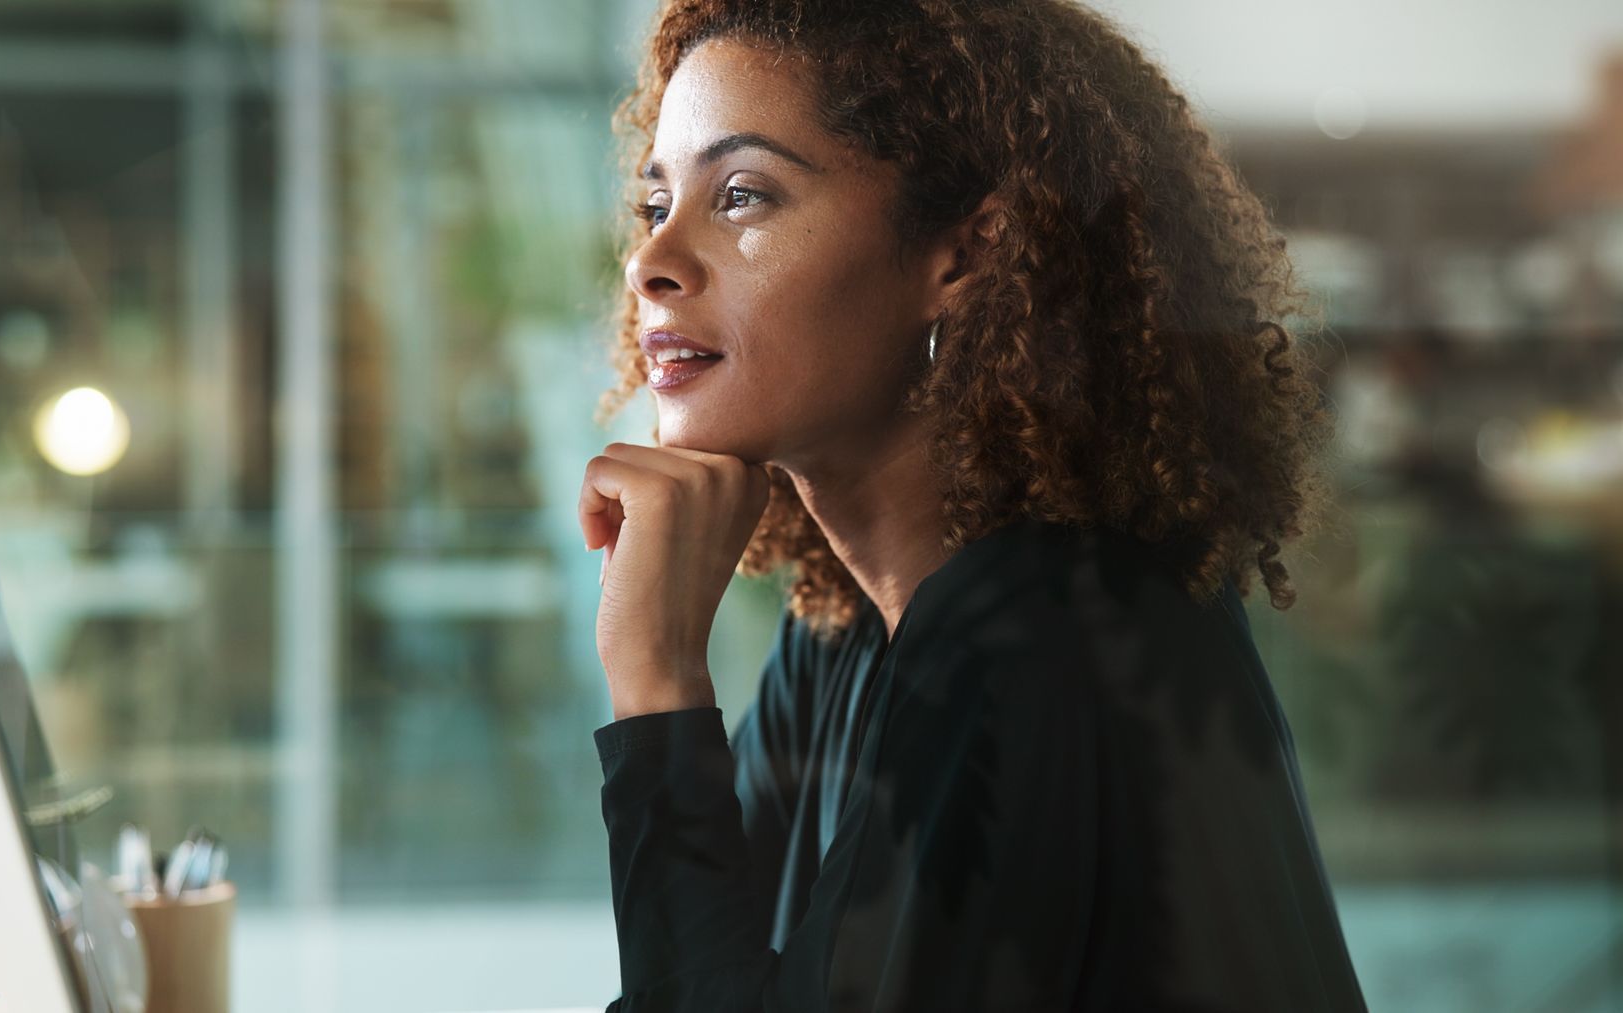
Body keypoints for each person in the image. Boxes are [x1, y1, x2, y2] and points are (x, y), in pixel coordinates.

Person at [573, 0, 1368, 1009]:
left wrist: (654, 677)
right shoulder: (847, 638)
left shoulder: (1049, 631)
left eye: (740, 195)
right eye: (655, 205)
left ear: (964, 254)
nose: (652, 261)